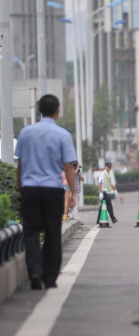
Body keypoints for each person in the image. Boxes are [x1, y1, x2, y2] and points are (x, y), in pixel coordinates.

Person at [15, 94, 77, 290]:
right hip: (52, 190)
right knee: (52, 233)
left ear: (39, 110)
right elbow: (68, 167)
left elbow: (21, 164)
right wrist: (74, 194)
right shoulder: (63, 135)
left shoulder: (25, 133)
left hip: (30, 189)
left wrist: (19, 188)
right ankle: (50, 277)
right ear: (57, 111)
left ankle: (34, 272)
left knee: (31, 231)